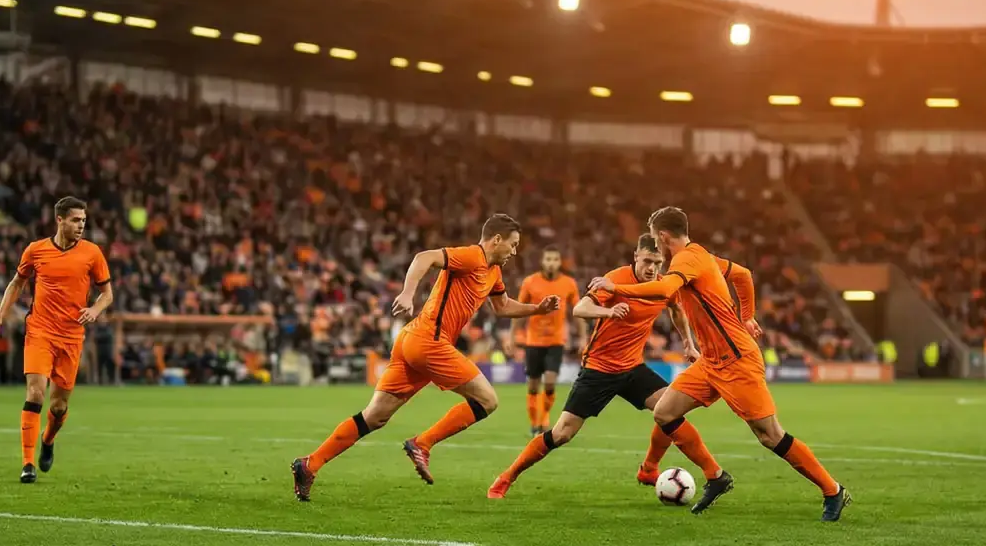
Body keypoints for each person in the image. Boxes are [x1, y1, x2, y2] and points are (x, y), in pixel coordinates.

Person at [589, 206, 850, 521]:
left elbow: (665, 289)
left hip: (737, 361)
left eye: (655, 241)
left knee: (770, 435)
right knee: (665, 412)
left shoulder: (686, 260)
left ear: (662, 236)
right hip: (711, 361)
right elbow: (743, 275)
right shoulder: (702, 256)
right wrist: (748, 314)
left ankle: (832, 490)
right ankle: (715, 477)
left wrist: (615, 288)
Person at [289, 213, 561, 501]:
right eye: (513, 244)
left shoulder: (493, 272)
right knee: (487, 400)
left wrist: (537, 310)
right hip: (429, 340)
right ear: (496, 240)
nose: (514, 251)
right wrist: (408, 294)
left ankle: (310, 464)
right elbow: (424, 257)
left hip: (412, 340)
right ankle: (423, 443)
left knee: (374, 417)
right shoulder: (472, 256)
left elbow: (503, 306)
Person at [489, 235, 692, 498]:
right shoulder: (615, 279)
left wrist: (688, 343)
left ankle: (649, 469)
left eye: (657, 262)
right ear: (635, 256)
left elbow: (677, 309)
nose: (651, 268)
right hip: (599, 369)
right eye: (646, 261)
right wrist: (608, 312)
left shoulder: (664, 285)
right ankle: (507, 476)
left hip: (632, 368)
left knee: (671, 409)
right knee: (561, 434)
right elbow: (580, 309)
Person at [0, 197, 113, 484]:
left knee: (58, 407)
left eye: (83, 220)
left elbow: (107, 294)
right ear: (60, 220)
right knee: (35, 393)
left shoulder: (92, 254)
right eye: (75, 220)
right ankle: (28, 463)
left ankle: (48, 439)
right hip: (40, 331)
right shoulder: (36, 250)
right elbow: (16, 283)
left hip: (71, 336)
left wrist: (95, 309)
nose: (80, 225)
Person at [515, 246, 581, 435]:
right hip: (533, 341)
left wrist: (583, 336)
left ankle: (543, 419)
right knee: (534, 385)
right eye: (548, 259)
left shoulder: (568, 283)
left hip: (556, 341)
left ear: (560, 262)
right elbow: (519, 309)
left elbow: (577, 311)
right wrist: (513, 335)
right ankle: (534, 422)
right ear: (542, 261)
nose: (551, 263)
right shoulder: (530, 282)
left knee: (550, 383)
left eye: (555, 259)